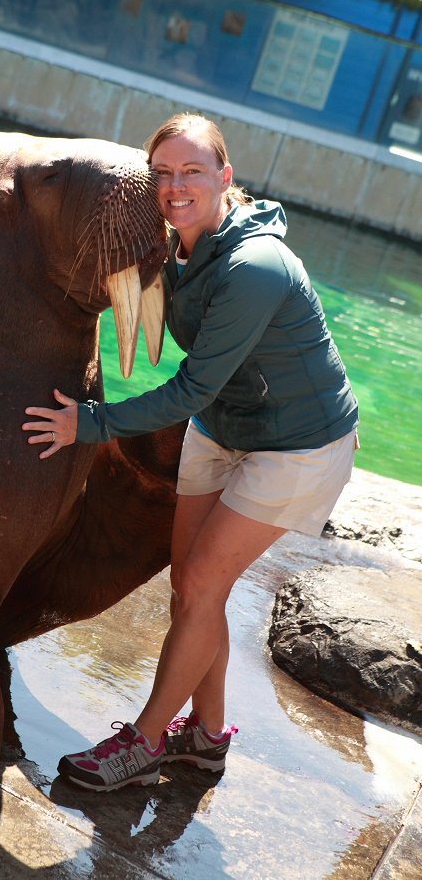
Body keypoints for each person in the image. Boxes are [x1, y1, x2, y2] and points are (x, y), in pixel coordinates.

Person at [22, 112, 359, 793]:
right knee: (191, 588)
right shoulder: (170, 245)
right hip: (222, 424)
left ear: (224, 178)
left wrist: (89, 423)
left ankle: (144, 743)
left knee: (202, 586)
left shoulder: (254, 267)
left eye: (192, 172)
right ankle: (205, 739)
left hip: (297, 445)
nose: (175, 187)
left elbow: (189, 386)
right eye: (162, 174)